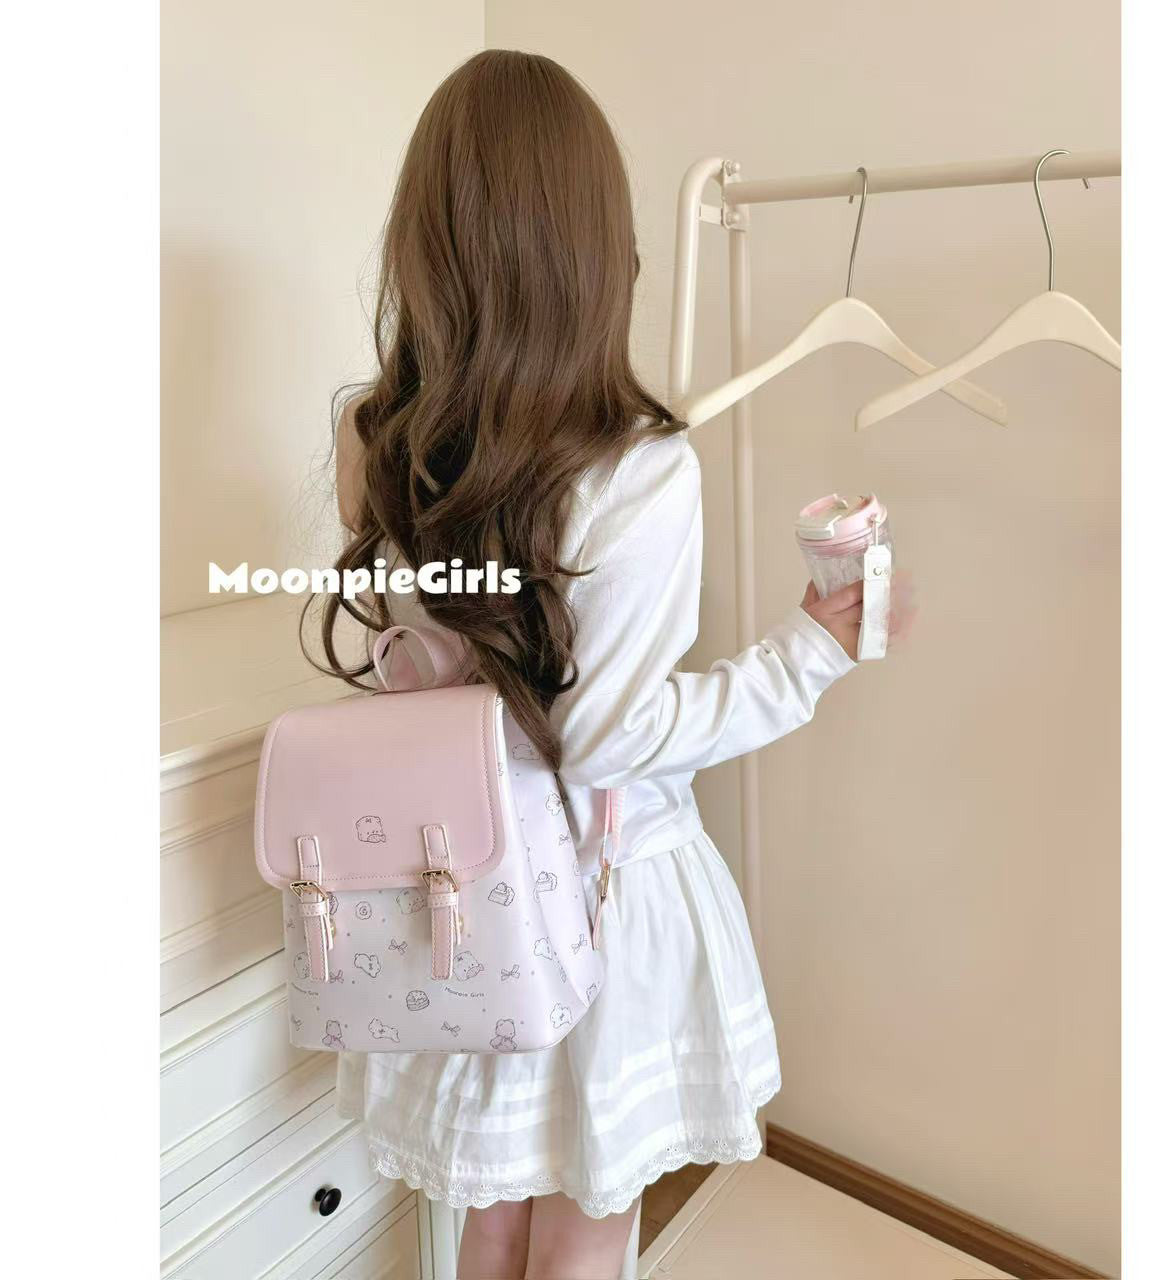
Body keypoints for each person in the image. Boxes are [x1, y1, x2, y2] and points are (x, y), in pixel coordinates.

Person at [322, 48, 874, 1280]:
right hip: (597, 902)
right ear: (589, 250)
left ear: (425, 242)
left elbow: (430, 668)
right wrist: (803, 656)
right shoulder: (635, 467)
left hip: (453, 883)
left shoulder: (373, 435)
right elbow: (608, 737)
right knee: (586, 1212)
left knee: (494, 1209)